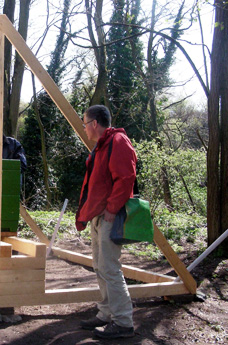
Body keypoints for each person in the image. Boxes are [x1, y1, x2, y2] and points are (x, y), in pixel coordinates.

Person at [75, 105, 137, 339]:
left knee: (110, 268)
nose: (84, 128)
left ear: (94, 124)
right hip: (98, 215)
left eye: (84, 124)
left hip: (110, 215)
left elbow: (126, 177)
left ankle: (123, 322)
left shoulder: (118, 141)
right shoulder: (101, 145)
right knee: (100, 267)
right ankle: (105, 314)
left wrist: (112, 209)